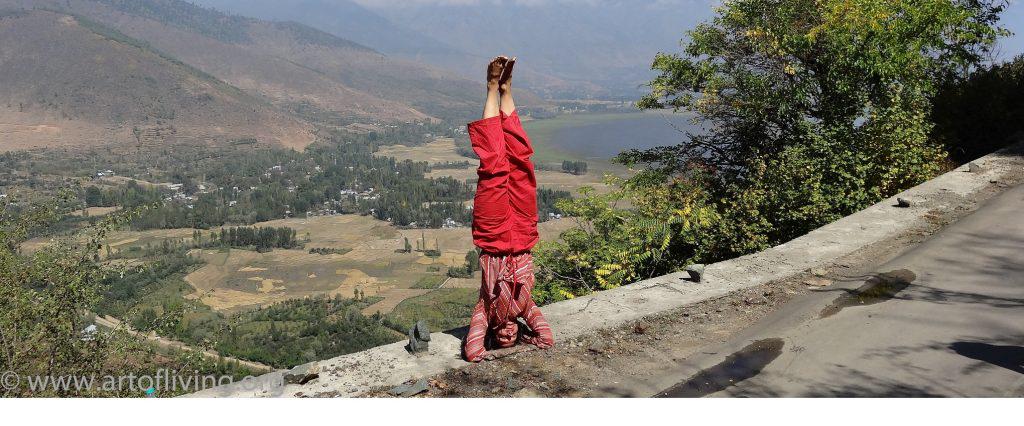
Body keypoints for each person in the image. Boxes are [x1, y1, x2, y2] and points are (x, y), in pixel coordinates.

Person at [463, 56, 555, 362]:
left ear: (491, 334)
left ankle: (490, 88)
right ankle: (507, 90)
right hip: (523, 232)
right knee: (521, 163)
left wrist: (491, 354)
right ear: (519, 331)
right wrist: (529, 340)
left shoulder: (485, 311)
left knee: (493, 164)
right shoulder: (525, 309)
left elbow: (473, 351)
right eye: (510, 338)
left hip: (493, 237)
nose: (506, 335)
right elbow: (546, 337)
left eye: (500, 339)